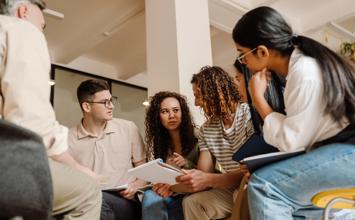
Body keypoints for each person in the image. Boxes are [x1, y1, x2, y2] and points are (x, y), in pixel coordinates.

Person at [232, 6, 355, 220]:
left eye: (242, 55)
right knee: (298, 204)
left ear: (262, 51)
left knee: (265, 186)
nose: (244, 62)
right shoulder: (305, 65)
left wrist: (258, 100)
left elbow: (291, 141)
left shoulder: (304, 71)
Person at [0, 0, 102, 219]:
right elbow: (30, 120)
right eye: (42, 24)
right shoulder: (22, 29)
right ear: (24, 10)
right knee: (88, 191)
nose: (41, 30)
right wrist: (76, 167)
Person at [176, 66, 253, 220]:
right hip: (230, 188)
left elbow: (252, 169)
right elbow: (204, 173)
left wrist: (209, 180)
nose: (197, 103)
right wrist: (173, 185)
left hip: (252, 183)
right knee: (193, 202)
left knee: (242, 194)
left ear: (216, 91)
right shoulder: (206, 129)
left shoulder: (249, 115)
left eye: (199, 96)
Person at [68, 79, 146, 220]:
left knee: (96, 201)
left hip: (125, 201)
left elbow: (144, 172)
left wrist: (135, 186)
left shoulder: (128, 128)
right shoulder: (68, 138)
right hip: (87, 198)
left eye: (111, 100)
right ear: (86, 106)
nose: (111, 106)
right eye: (105, 102)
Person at [141, 91, 199, 220]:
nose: (171, 115)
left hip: (189, 192)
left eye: (176, 110)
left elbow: (207, 172)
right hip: (169, 191)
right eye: (165, 111)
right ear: (158, 116)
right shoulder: (160, 141)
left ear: (183, 112)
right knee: (150, 195)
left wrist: (186, 163)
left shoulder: (198, 137)